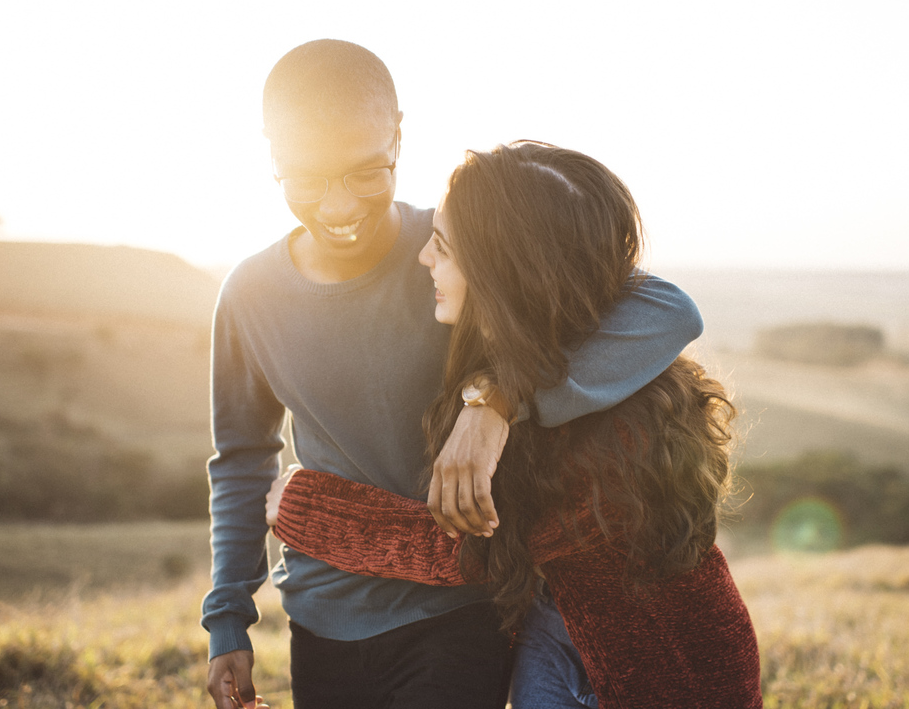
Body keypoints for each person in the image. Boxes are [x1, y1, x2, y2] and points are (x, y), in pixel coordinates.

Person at [202, 40, 705, 709]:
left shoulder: (456, 251)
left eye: (366, 172)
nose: (340, 205)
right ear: (271, 155)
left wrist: (497, 402)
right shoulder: (249, 295)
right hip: (320, 613)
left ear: (399, 137)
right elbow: (242, 458)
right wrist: (227, 616)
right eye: (308, 177)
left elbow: (667, 311)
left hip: (463, 608)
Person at [266, 142, 762, 708]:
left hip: (665, 668)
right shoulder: (514, 366)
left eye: (444, 248)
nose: (424, 257)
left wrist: (303, 506)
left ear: (503, 272)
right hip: (552, 640)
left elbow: (467, 548)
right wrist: (492, 399)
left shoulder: (619, 420)